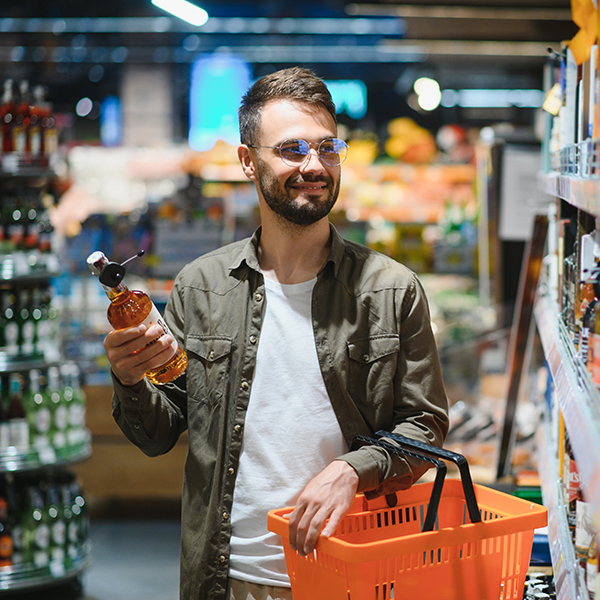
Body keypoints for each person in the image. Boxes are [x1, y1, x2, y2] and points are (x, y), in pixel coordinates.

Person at [103, 66, 449, 600]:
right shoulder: (202, 286)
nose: (314, 165)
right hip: (228, 578)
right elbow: (158, 433)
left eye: (327, 149)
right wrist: (130, 381)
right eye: (291, 150)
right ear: (248, 161)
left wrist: (355, 470)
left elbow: (425, 429)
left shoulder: (391, 290)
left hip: (352, 575)